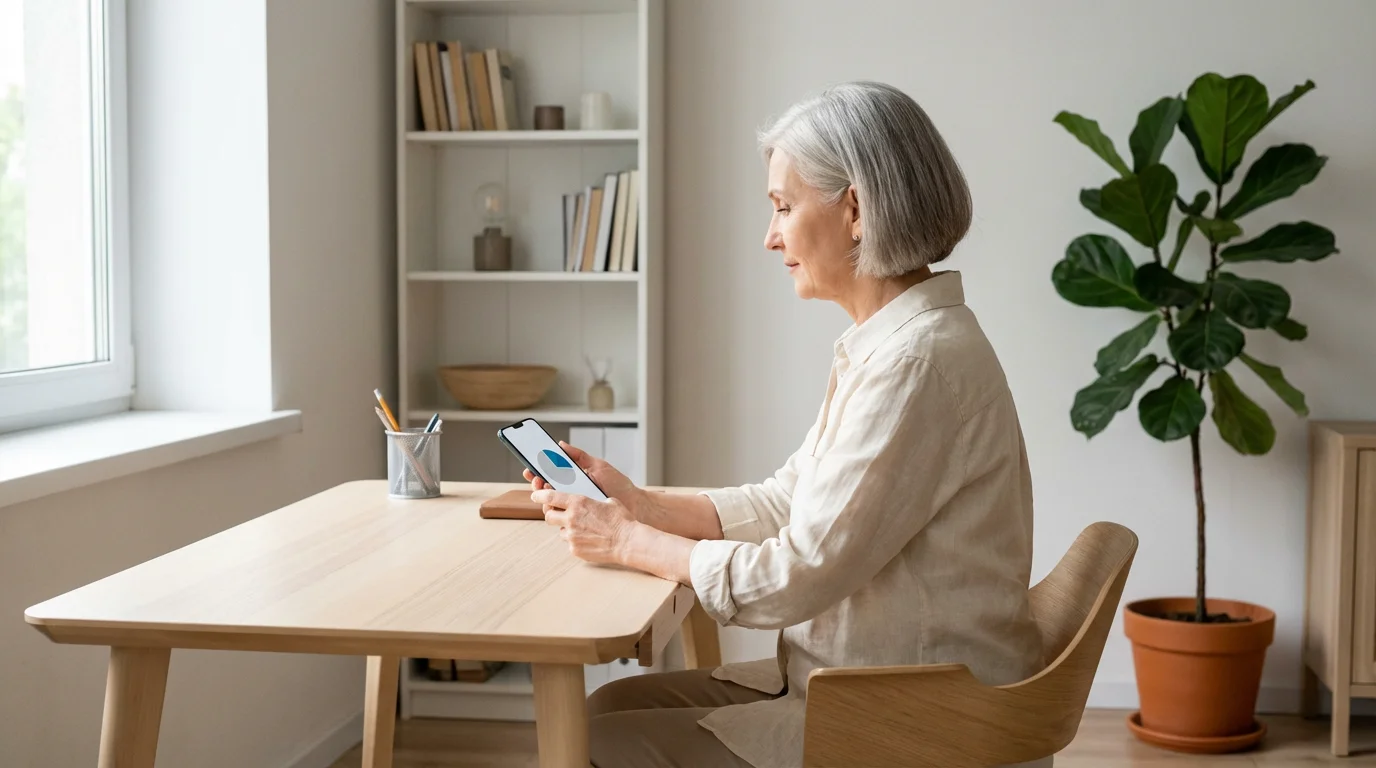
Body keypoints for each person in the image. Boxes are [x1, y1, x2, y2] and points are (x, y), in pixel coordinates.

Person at [527, 80, 1046, 768]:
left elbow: (794, 577)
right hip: (859, 682)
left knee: (586, 739)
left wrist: (629, 541)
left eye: (783, 206)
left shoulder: (914, 365)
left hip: (910, 717)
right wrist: (642, 505)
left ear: (855, 209)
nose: (769, 237)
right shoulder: (892, 345)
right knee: (603, 710)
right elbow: (786, 501)